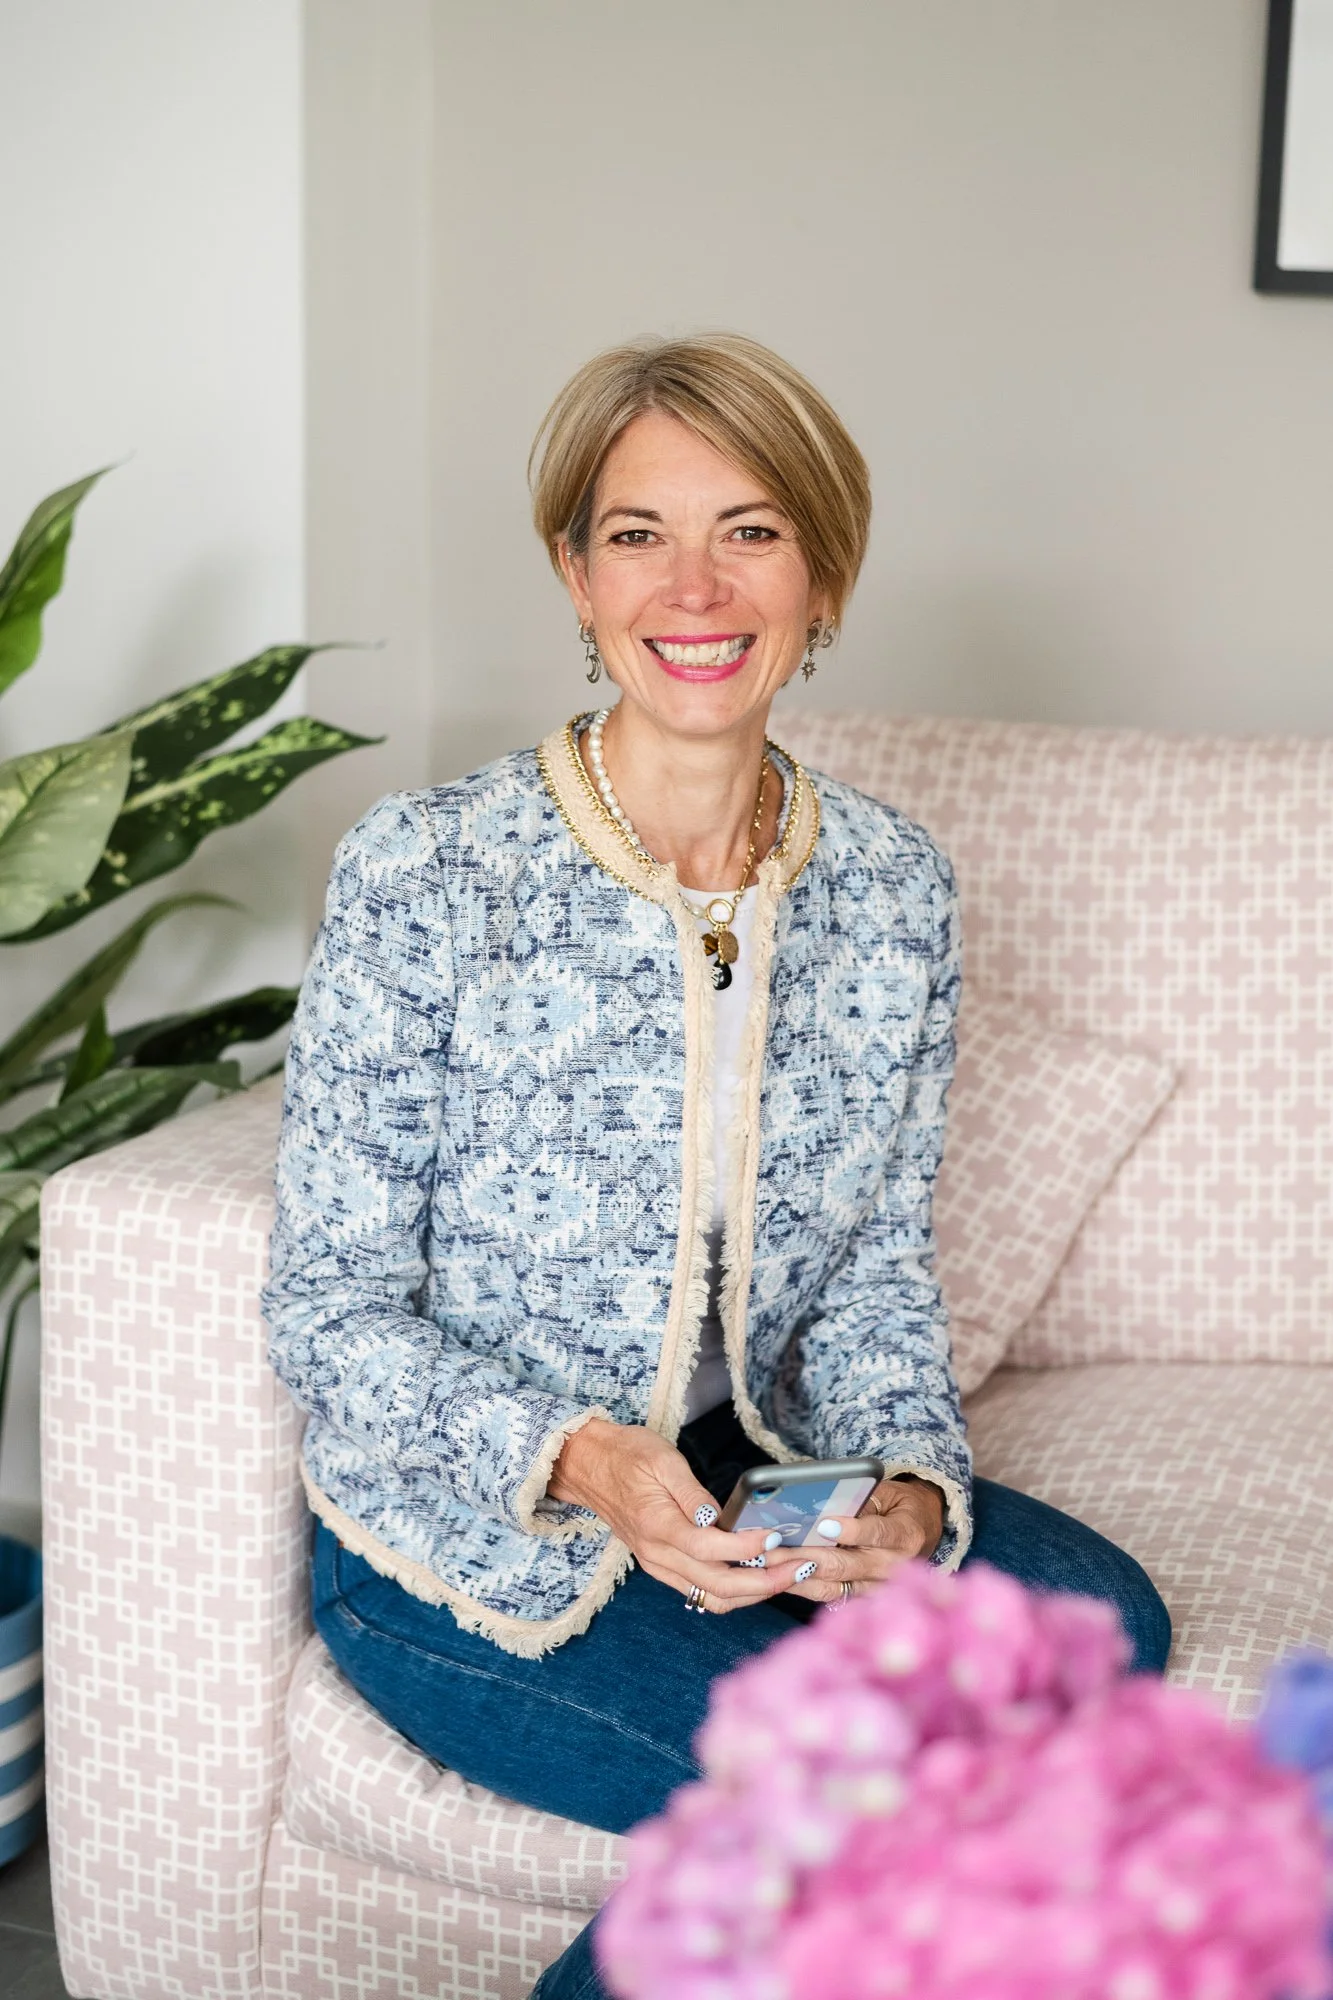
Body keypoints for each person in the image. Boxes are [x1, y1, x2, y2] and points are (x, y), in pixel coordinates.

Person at [262, 334, 1170, 2000]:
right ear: (572, 571)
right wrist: (584, 1463)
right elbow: (327, 1306)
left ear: (823, 573)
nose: (694, 585)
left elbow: (883, 1263)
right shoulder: (427, 872)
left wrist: (902, 1490)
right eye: (636, 534)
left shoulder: (896, 890)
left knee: (1103, 1630)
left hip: (749, 1480)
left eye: (751, 530)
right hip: (476, 1540)